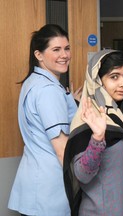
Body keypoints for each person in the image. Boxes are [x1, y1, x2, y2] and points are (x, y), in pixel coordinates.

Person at [8, 24, 78, 216]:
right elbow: (62, 149)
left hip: (34, 184)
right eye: (56, 49)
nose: (64, 55)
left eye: (67, 48)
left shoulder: (33, 82)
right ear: (38, 55)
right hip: (49, 191)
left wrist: (70, 100)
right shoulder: (48, 90)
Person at [63, 49, 123, 216]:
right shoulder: (89, 118)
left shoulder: (119, 118)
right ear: (97, 81)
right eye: (114, 77)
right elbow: (82, 175)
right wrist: (97, 138)